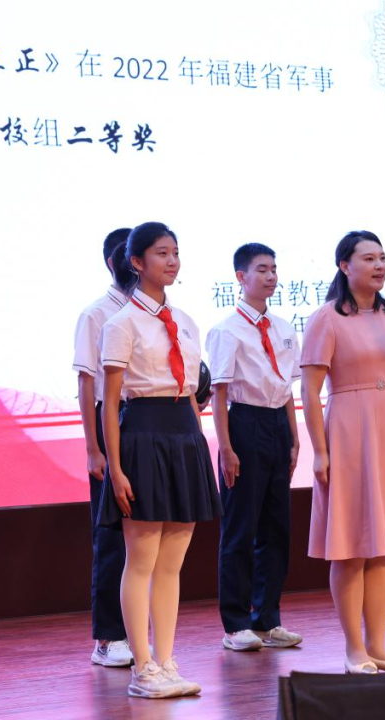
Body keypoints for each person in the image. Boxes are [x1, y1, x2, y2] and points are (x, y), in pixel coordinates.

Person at [300, 230, 385, 675]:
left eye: (382, 258)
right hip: (349, 429)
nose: (379, 266)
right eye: (368, 259)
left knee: (384, 544)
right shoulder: (327, 318)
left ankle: (378, 645)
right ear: (345, 266)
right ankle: (354, 649)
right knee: (351, 545)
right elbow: (310, 390)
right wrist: (319, 452)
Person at [98, 221, 221, 698]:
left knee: (172, 563)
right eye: (161, 253)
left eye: (175, 252)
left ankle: (166, 661)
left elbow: (190, 391)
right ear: (136, 262)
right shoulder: (120, 323)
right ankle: (143, 668)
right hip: (143, 436)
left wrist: (198, 444)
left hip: (183, 435)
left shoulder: (185, 320)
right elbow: (111, 402)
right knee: (142, 559)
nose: (172, 261)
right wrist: (116, 468)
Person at [206, 243, 303, 652]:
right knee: (240, 529)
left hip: (277, 425)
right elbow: (219, 393)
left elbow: (287, 389)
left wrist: (294, 437)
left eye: (274, 269)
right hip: (243, 425)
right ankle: (235, 624)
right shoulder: (226, 330)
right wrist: (227, 448)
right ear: (241, 277)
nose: (271, 276)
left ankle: (268, 619)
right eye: (261, 269)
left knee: (277, 528)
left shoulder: (283, 327)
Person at [72, 228, 133, 667]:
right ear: (118, 262)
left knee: (147, 534)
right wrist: (93, 448)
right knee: (111, 534)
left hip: (148, 422)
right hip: (109, 418)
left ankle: (141, 633)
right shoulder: (97, 314)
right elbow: (86, 380)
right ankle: (109, 637)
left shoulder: (154, 313)